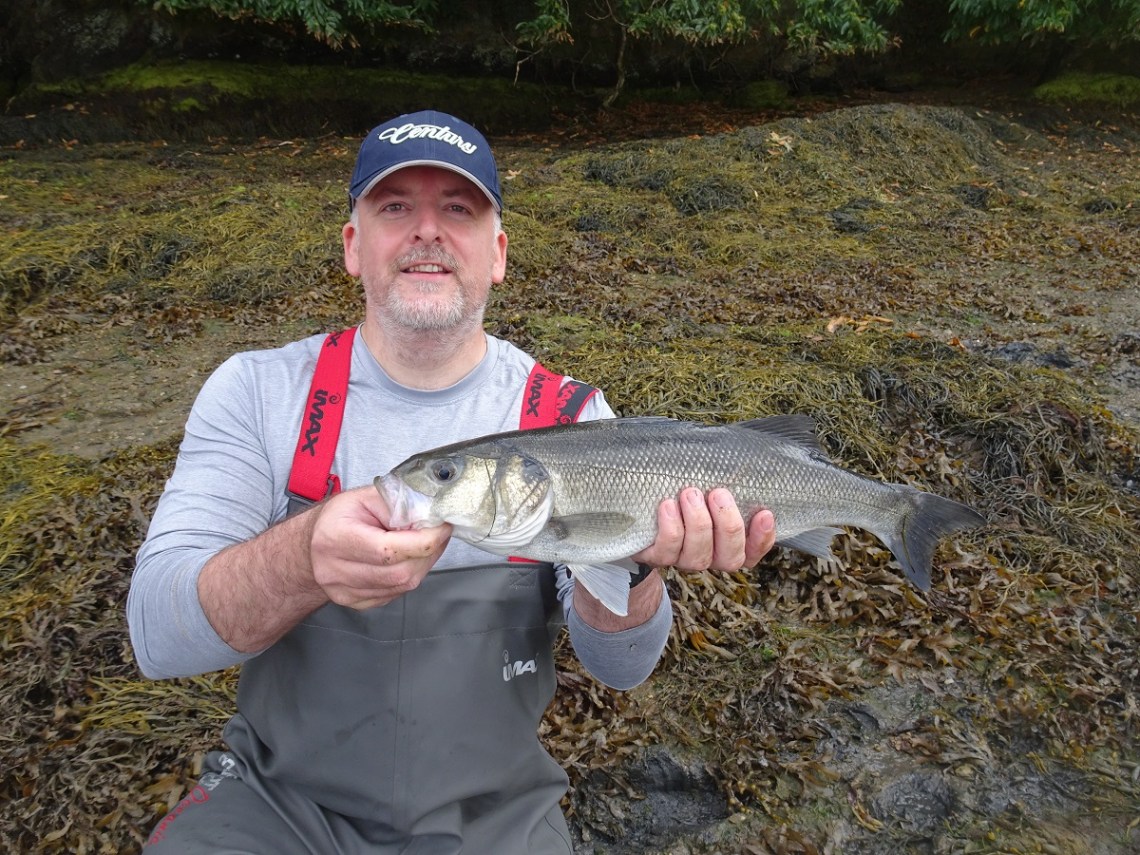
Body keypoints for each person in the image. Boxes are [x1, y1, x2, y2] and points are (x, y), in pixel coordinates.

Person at [128, 109, 777, 854]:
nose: (427, 231)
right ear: (353, 246)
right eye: (395, 206)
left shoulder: (573, 417)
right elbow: (157, 636)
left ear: (497, 253)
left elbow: (621, 669)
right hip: (277, 807)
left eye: (459, 209)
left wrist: (637, 570)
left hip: (494, 819)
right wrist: (301, 557)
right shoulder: (257, 392)